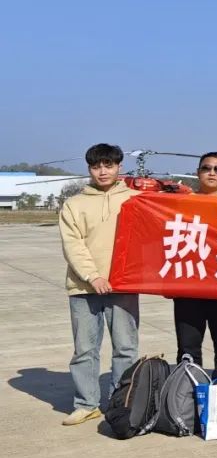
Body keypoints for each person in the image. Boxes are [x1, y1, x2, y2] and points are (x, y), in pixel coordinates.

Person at [59, 144, 140, 426]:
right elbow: (73, 245)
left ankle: (122, 402)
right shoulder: (74, 204)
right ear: (89, 169)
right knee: (84, 349)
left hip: (123, 287)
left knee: (126, 348)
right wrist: (93, 276)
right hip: (83, 288)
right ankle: (86, 403)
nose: (102, 171)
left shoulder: (136, 200)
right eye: (96, 166)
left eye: (108, 165)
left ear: (119, 167)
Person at [172, 152, 217, 367]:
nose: (212, 173)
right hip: (189, 286)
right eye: (206, 168)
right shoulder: (181, 202)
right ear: (198, 172)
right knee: (188, 349)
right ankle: (187, 396)